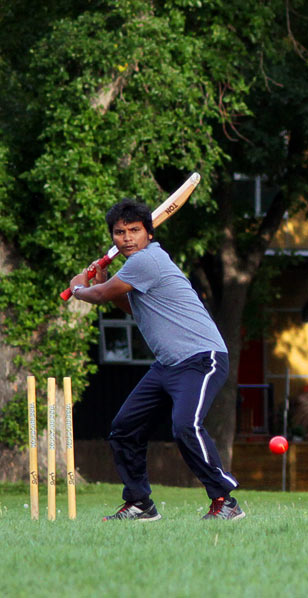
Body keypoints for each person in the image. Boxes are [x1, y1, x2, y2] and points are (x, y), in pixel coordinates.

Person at [69, 198, 243, 521]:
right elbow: (130, 307)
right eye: (120, 232)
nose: (127, 238)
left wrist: (79, 288)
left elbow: (100, 296)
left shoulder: (147, 259)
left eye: (134, 230)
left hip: (201, 358)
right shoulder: (136, 268)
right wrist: (101, 283)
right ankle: (140, 504)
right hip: (167, 365)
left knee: (185, 426)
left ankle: (225, 501)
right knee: (124, 429)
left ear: (149, 233)